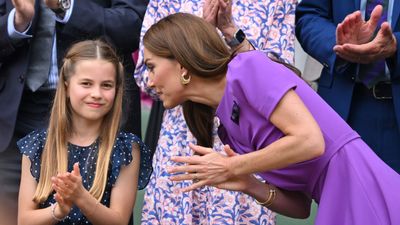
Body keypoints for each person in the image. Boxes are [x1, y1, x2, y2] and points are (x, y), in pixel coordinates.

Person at [143, 13, 400, 225]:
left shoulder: (247, 68)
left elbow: (311, 141)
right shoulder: (229, 129)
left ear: (181, 65)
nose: (150, 81)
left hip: (364, 192)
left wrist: (233, 166)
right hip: (335, 205)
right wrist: (249, 184)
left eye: (152, 66)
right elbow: (300, 206)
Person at [134, 0, 297, 223]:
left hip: (244, 144)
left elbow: (279, 76)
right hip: (181, 138)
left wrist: (230, 34)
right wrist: (195, 39)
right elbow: (146, 78)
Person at [0, 0, 147, 222]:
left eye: (106, 86)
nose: (97, 92)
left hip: (101, 122)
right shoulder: (35, 143)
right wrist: (18, 22)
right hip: (14, 117)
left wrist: (64, 6)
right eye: (88, 84)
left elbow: (135, 22)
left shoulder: (125, 147)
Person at [295, 0, 400, 173]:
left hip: (394, 109)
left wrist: (396, 46)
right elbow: (309, 15)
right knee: (340, 197)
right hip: (342, 109)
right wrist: (339, 43)